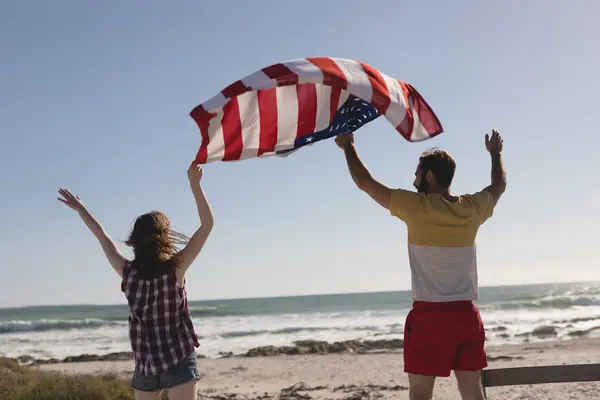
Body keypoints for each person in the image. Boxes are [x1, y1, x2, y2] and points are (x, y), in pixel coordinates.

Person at [334, 130, 506, 400]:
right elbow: (498, 187)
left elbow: (365, 182)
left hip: (430, 319)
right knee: (472, 391)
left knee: (421, 394)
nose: (413, 180)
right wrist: (495, 154)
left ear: (429, 176)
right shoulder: (471, 208)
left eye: (417, 174)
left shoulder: (416, 206)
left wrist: (348, 147)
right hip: (465, 317)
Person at [57, 164, 214, 400]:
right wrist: (195, 184)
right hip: (177, 359)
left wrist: (81, 209)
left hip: (145, 365)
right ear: (164, 239)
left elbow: (102, 235)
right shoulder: (175, 269)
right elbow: (207, 225)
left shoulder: (128, 272)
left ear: (135, 241)